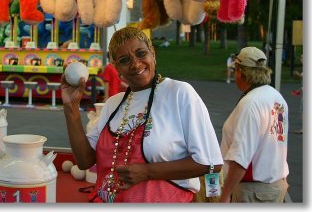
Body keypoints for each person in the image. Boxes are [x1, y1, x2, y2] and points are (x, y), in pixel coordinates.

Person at [61, 26, 223, 203]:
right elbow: (84, 161)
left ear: (153, 54)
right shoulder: (113, 104)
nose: (135, 64)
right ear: (116, 67)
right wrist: (71, 107)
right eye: (124, 60)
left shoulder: (178, 93)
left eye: (141, 53)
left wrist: (147, 172)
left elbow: (211, 163)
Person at [219, 47, 289, 203]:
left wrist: (225, 195)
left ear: (240, 72)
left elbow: (240, 158)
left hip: (253, 191)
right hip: (274, 185)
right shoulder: (276, 97)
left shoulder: (251, 103)